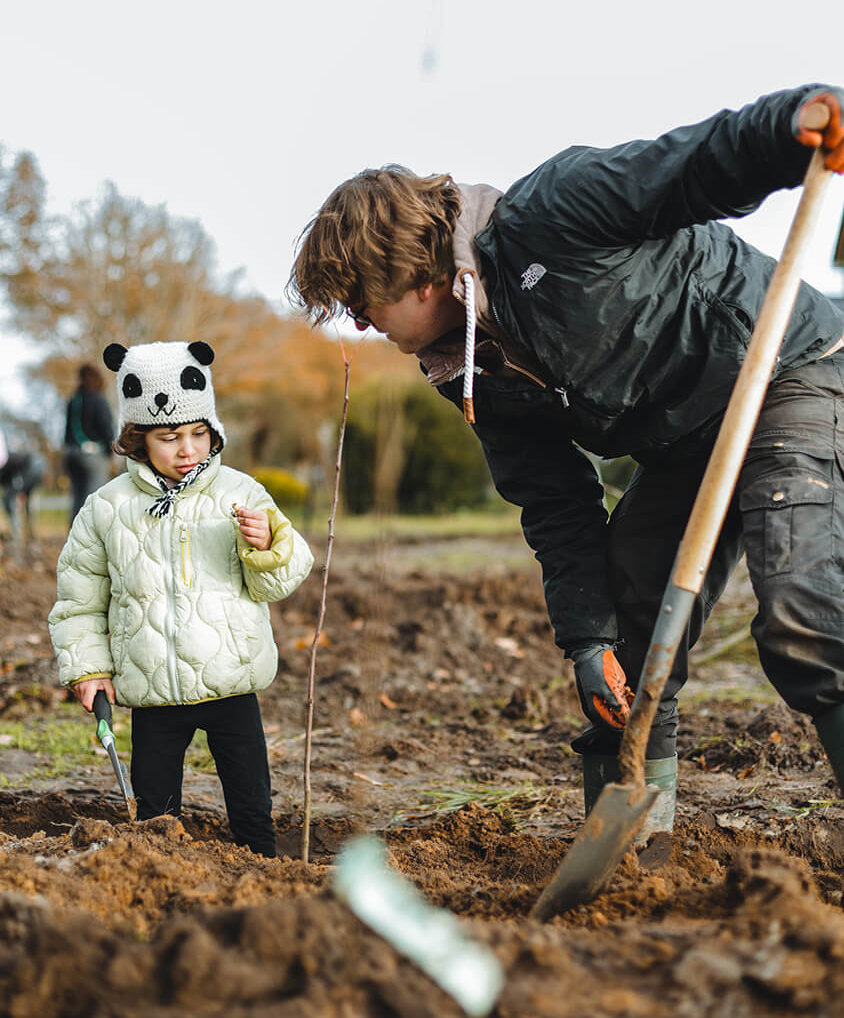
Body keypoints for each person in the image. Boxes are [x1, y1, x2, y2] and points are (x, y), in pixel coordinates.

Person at [289, 85, 844, 838]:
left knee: (802, 616)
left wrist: (791, 126)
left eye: (362, 306)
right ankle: (633, 860)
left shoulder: (551, 212)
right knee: (626, 644)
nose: (358, 326)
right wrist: (587, 641)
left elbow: (689, 167)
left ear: (416, 279)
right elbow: (554, 501)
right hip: (687, 444)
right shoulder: (467, 367)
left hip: (790, 370)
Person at [48, 340, 314, 857]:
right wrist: (86, 669)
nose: (187, 449)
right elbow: (78, 598)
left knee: (252, 805)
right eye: (169, 437)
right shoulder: (106, 509)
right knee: (153, 818)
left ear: (213, 431)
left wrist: (267, 545)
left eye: (198, 434)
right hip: (152, 689)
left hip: (231, 681)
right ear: (138, 437)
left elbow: (281, 578)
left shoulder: (240, 493)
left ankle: (267, 872)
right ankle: (156, 872)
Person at [64, 362, 116, 523]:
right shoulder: (98, 400)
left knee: (77, 499)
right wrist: (110, 453)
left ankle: (73, 538)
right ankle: (88, 543)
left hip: (71, 454)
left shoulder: (73, 401)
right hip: (92, 456)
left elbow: (66, 432)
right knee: (94, 501)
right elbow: (106, 429)